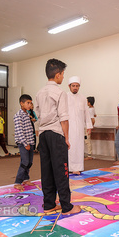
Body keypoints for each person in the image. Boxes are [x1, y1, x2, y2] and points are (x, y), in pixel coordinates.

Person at [36, 58, 81, 215]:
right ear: (58, 75)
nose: (63, 77)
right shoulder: (60, 92)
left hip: (43, 135)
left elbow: (38, 115)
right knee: (62, 170)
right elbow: (63, 117)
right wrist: (66, 138)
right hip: (56, 134)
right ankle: (66, 206)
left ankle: (48, 204)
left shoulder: (39, 92)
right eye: (63, 74)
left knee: (46, 171)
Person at [67, 76, 93, 175]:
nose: (75, 88)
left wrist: (89, 126)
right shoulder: (65, 96)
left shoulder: (82, 98)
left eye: (77, 86)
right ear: (69, 86)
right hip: (69, 127)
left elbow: (86, 112)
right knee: (71, 147)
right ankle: (70, 167)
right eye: (73, 86)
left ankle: (78, 167)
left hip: (80, 127)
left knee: (79, 147)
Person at [13, 94, 36, 191]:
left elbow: (29, 129)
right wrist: (25, 143)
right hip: (23, 143)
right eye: (28, 103)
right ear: (21, 103)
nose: (30, 105)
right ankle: (17, 181)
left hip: (30, 142)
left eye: (30, 103)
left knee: (29, 162)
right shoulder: (18, 116)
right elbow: (19, 131)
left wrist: (31, 143)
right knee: (25, 162)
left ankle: (26, 179)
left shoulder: (27, 114)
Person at [84, 96, 96, 160]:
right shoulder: (92, 109)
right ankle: (88, 154)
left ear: (89, 102)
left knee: (87, 141)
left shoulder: (89, 110)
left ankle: (89, 155)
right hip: (87, 127)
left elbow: (92, 119)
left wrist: (90, 127)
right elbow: (95, 115)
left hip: (87, 128)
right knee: (86, 140)